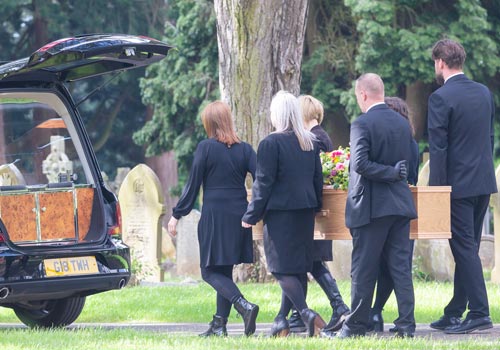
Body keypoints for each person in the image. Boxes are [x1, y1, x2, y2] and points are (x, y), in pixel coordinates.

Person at [332, 73, 417, 339]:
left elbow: (359, 164)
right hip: (400, 205)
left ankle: (355, 326)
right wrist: (394, 173)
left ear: (363, 95)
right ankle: (406, 325)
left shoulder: (362, 123)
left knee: (363, 268)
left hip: (371, 207)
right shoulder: (403, 124)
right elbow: (408, 165)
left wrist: (390, 173)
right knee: (401, 269)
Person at [167, 101, 259, 337]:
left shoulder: (205, 148)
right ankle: (219, 325)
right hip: (239, 214)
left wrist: (176, 215)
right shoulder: (246, 149)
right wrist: (256, 209)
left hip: (215, 215)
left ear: (209, 123)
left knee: (209, 271)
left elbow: (193, 183)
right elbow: (263, 179)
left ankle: (244, 306)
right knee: (223, 270)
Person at [241, 90, 325, 337]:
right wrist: (316, 206)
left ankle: (306, 313)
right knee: (297, 268)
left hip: (280, 214)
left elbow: (263, 183)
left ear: (278, 114)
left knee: (280, 269)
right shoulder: (309, 141)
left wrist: (251, 214)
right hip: (305, 211)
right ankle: (281, 321)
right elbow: (316, 179)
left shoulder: (270, 143)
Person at [427, 38, 496, 334]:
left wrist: (435, 193)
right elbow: (489, 138)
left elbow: (438, 149)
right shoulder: (483, 92)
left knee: (464, 249)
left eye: (434, 63)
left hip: (457, 187)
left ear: (441, 62)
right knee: (469, 248)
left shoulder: (440, 97)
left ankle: (480, 312)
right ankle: (456, 310)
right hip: (482, 181)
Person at [286, 95, 350, 333]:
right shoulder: (322, 136)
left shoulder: (313, 139)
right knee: (307, 262)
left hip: (313, 209)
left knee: (310, 261)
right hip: (316, 207)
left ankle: (338, 306)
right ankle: (298, 312)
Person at [368, 96, 419, 333]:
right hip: (403, 206)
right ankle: (403, 320)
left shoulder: (380, 137)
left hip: (379, 206)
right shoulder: (411, 143)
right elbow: (413, 177)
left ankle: (374, 312)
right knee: (399, 267)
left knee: (378, 265)